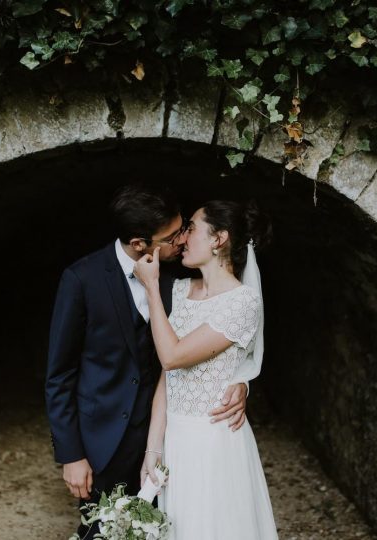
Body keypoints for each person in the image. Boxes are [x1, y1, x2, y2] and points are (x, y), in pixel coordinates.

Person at [45, 185, 250, 540]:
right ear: (141, 243)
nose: (183, 239)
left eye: (185, 227)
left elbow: (220, 337)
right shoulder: (82, 279)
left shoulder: (183, 280)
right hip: (102, 444)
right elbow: (59, 375)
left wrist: (241, 380)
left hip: (169, 440)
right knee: (104, 532)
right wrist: (71, 455)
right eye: (173, 236)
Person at [133, 199, 278, 540]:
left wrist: (151, 288)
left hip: (213, 442)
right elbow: (169, 379)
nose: (182, 239)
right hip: (176, 441)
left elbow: (172, 357)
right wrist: (153, 450)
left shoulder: (243, 303)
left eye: (192, 229)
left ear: (218, 239)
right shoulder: (181, 290)